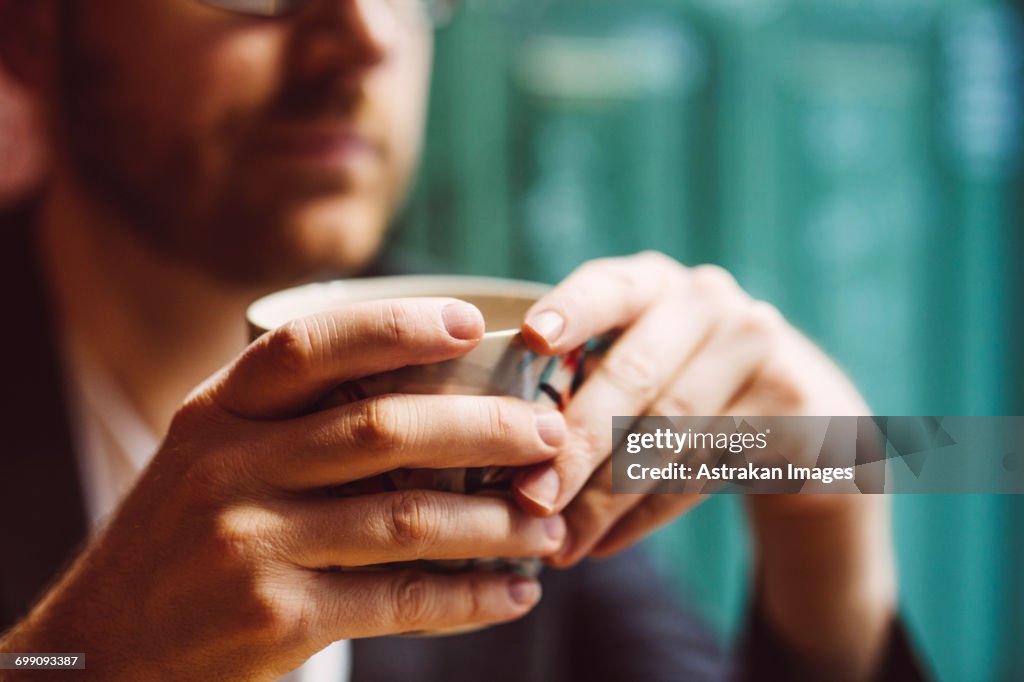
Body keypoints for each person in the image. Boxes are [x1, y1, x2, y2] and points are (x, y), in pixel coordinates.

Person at [0, 1, 925, 680]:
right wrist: (76, 659)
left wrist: (830, 515)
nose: (367, 34)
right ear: (34, 28)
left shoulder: (494, 381)